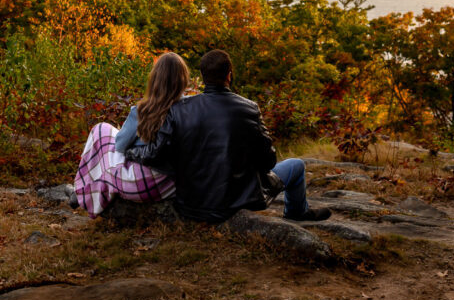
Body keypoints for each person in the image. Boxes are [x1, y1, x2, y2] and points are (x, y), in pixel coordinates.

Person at [125, 49, 330, 224]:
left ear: (202, 77)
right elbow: (268, 161)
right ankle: (297, 213)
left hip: (190, 206)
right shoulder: (250, 109)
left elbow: (155, 154)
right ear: (229, 75)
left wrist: (130, 151)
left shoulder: (178, 110)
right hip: (236, 203)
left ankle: (298, 212)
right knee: (296, 165)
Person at [72, 52, 189, 217]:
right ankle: (83, 189)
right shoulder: (191, 109)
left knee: (101, 130)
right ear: (183, 79)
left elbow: (119, 146)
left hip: (141, 185)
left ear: (155, 78)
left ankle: (81, 189)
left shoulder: (143, 110)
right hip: (172, 186)